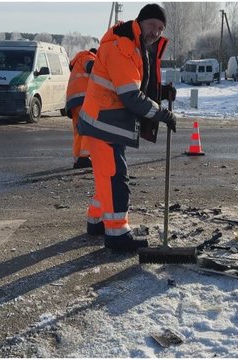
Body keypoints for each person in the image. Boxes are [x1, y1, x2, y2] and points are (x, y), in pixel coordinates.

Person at [78, 3, 177, 252]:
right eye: (153, 25)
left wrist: (162, 92)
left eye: (161, 28)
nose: (156, 31)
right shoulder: (122, 46)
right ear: (141, 21)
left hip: (107, 121)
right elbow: (131, 95)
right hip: (103, 122)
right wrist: (161, 113)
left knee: (106, 175)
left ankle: (97, 221)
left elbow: (132, 82)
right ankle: (117, 234)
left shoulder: (134, 44)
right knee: (114, 178)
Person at [66, 48, 97, 169]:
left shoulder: (77, 61)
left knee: (78, 129)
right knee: (87, 127)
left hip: (74, 100)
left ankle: (78, 158)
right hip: (83, 98)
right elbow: (91, 66)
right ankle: (84, 157)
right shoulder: (87, 56)